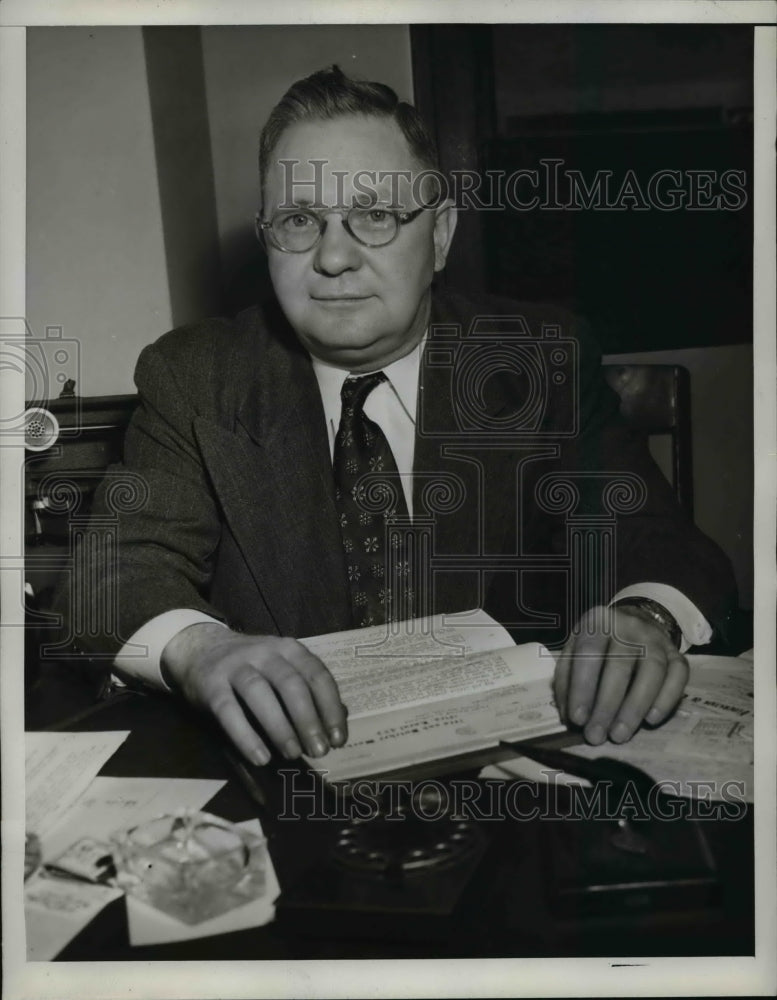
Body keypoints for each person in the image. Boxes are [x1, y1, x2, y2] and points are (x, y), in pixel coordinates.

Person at [61, 66, 736, 769]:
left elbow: (656, 538)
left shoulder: (537, 358)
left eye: (375, 214)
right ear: (266, 239)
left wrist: (642, 617)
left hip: (512, 790)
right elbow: (111, 571)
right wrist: (202, 650)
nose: (332, 257)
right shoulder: (197, 375)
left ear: (439, 235)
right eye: (298, 220)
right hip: (295, 795)